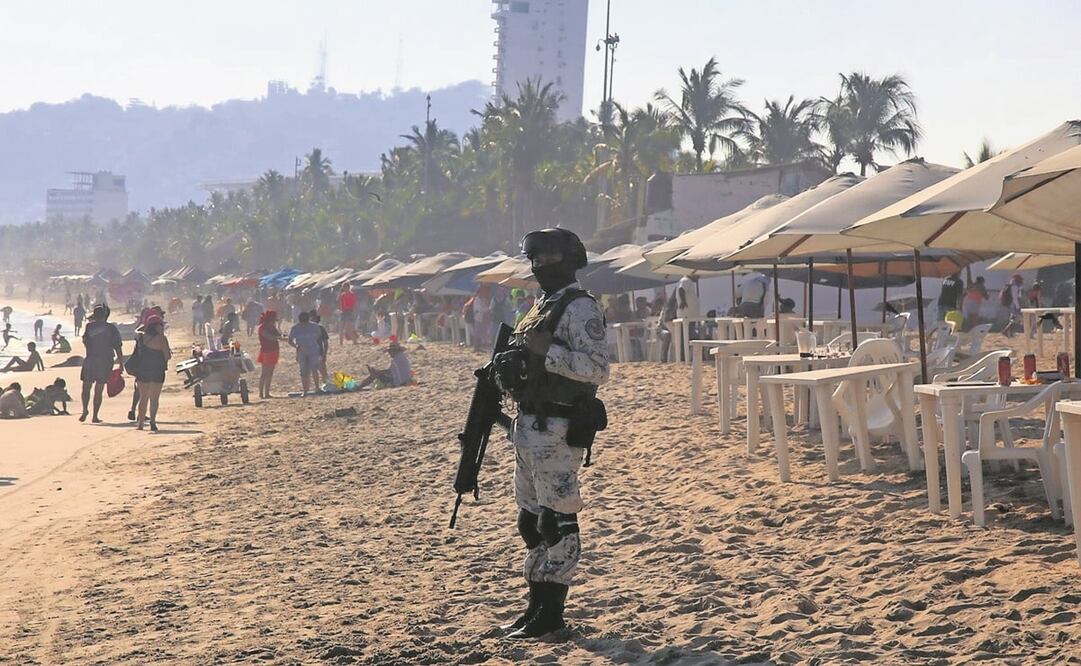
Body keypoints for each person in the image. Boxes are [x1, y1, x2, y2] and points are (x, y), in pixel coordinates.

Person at [491, 228, 610, 639]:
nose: (540, 266)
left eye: (548, 258)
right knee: (530, 520)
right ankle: (535, 607)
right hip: (529, 428)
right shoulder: (541, 306)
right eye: (535, 259)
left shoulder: (581, 309)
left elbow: (598, 369)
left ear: (569, 259)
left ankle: (552, 614)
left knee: (556, 521)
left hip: (559, 428)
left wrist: (549, 353)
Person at [79, 304, 124, 423]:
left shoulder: (89, 327)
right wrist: (121, 362)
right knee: (99, 389)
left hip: (90, 359)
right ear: (105, 315)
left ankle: (84, 410)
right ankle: (95, 416)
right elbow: (118, 346)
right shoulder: (111, 328)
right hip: (105, 361)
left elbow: (85, 342)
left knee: (86, 387)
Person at [131, 312, 170, 431]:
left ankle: (141, 424)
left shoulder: (141, 337)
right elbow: (167, 356)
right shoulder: (162, 339)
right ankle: (152, 421)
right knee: (154, 398)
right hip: (157, 370)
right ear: (158, 326)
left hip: (143, 370)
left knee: (143, 397)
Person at [287, 311, 323, 395]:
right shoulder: (295, 328)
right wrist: (296, 346)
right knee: (304, 371)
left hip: (313, 350)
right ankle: (305, 390)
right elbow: (290, 340)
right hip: (302, 352)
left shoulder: (314, 326)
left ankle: (316, 388)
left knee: (314, 369)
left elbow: (318, 337)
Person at [257, 310, 282, 398]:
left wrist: (282, 336)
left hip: (274, 350)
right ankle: (261, 392)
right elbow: (269, 337)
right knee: (264, 373)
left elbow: (278, 335)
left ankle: (267, 392)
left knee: (270, 372)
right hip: (266, 351)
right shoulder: (262, 328)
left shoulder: (272, 327)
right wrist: (279, 337)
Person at [311, 311, 330, 390]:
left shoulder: (321, 328)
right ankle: (317, 387)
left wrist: (324, 354)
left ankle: (327, 386)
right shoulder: (307, 329)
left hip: (319, 353)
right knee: (314, 371)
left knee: (323, 371)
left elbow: (325, 343)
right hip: (311, 353)